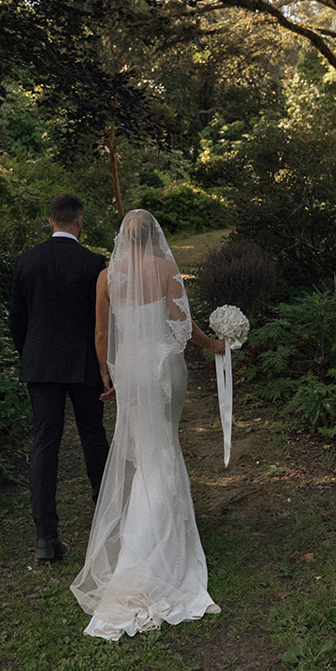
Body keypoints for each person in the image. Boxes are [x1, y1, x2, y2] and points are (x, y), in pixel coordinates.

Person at [70, 208, 225, 640]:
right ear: (152, 236)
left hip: (132, 368)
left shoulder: (106, 277)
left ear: (122, 237)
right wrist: (212, 344)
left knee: (145, 450)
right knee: (163, 447)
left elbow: (102, 335)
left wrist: (108, 375)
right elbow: (180, 326)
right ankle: (156, 544)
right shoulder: (166, 269)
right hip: (162, 367)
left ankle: (149, 538)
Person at [9, 192, 109, 562]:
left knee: (45, 443)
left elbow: (16, 321)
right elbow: (102, 322)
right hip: (83, 363)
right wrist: (105, 364)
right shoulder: (93, 263)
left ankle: (45, 538)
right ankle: (105, 513)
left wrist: (31, 356)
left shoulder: (26, 262)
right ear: (79, 222)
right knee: (93, 435)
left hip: (40, 365)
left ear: (51, 221)